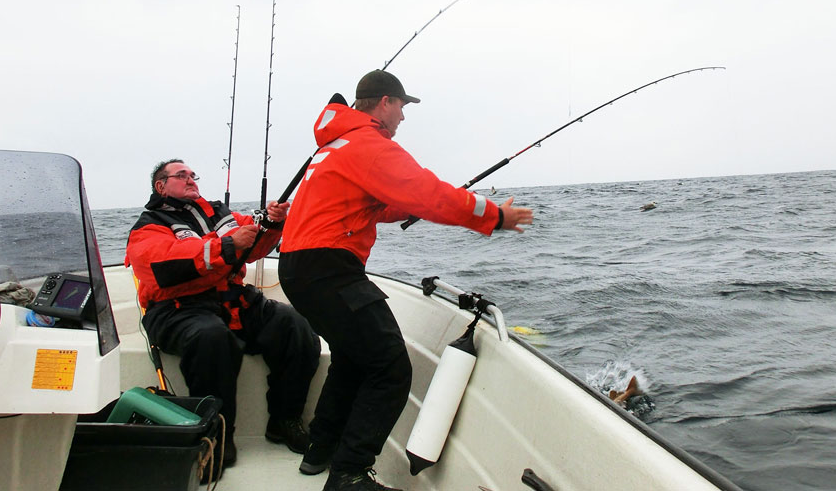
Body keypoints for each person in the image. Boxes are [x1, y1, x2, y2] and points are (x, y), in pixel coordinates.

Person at [278, 70, 534, 491]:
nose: (403, 116)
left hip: (300, 266)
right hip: (327, 269)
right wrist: (495, 216)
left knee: (353, 357)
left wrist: (404, 206)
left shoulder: (337, 145)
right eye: (401, 106)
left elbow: (373, 205)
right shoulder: (367, 144)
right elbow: (427, 193)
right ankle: (350, 475)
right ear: (383, 102)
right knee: (391, 367)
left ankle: (320, 450)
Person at [125, 159, 321, 470]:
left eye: (193, 175)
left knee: (295, 326)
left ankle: (284, 421)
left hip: (230, 302)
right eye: (181, 175)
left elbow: (253, 245)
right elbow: (163, 264)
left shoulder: (218, 213)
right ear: (161, 186)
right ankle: (215, 437)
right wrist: (226, 246)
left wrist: (271, 224)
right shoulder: (148, 225)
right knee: (212, 339)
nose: (191, 179)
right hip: (176, 310)